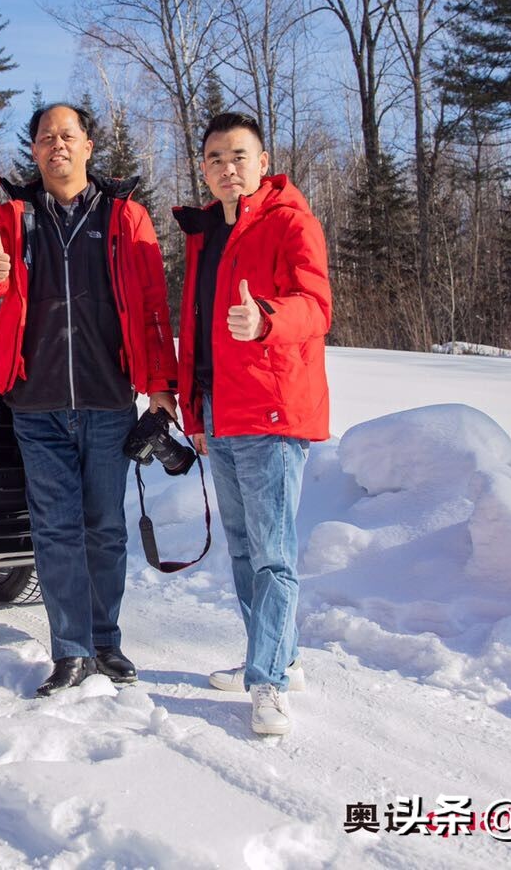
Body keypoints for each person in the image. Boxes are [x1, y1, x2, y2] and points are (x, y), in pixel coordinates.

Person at [0, 102, 178, 697]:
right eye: (44, 138)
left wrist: (162, 388)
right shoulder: (13, 214)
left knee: (105, 528)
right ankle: (71, 652)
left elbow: (155, 309)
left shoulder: (125, 216)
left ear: (88, 146)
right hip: (36, 403)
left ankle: (106, 642)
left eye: (67, 135)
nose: (56, 145)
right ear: (33, 151)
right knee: (56, 530)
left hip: (110, 401)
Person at [174, 112, 331, 737]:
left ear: (263, 162)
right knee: (242, 550)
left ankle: (268, 682)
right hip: (221, 409)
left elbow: (316, 306)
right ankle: (275, 656)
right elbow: (199, 331)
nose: (225, 168)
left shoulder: (290, 221)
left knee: (272, 554)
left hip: (271, 407)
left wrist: (266, 318)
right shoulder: (206, 232)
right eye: (214, 158)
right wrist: (196, 411)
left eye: (238, 156)